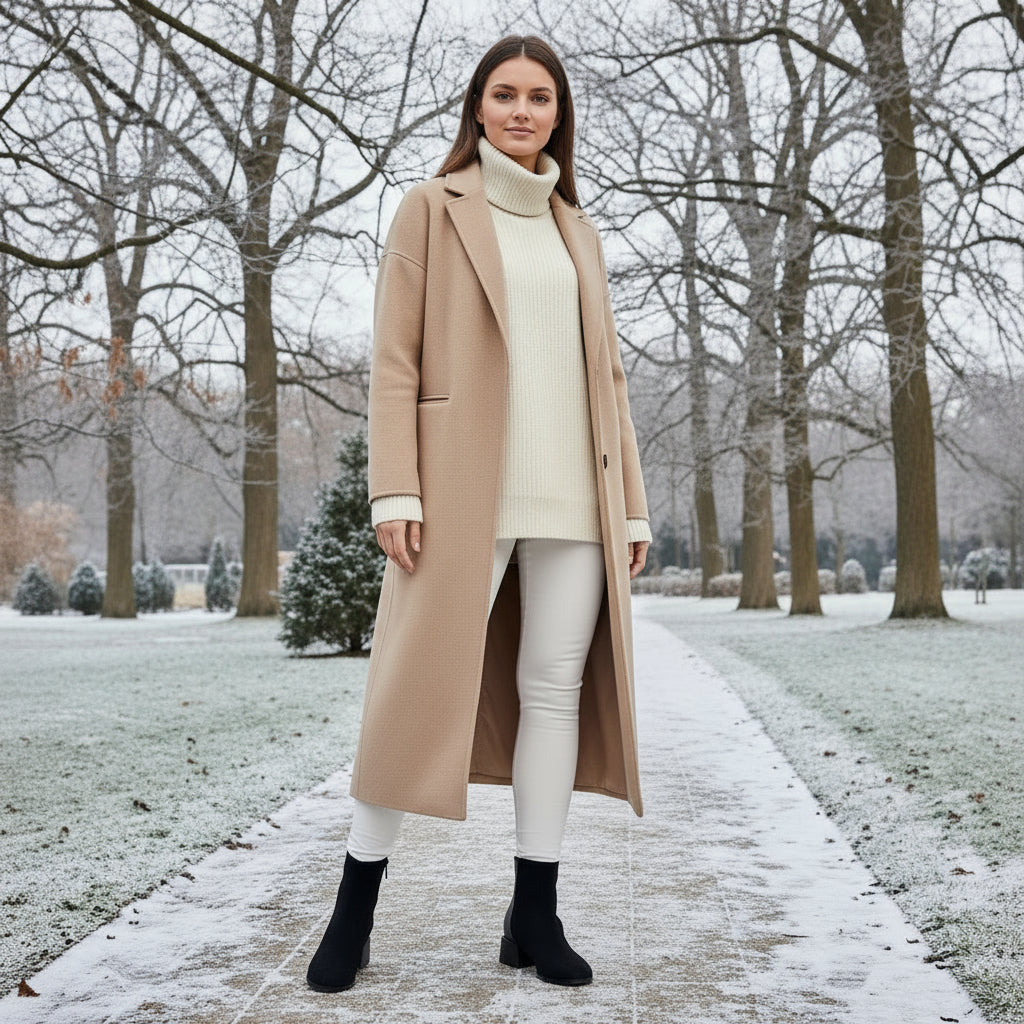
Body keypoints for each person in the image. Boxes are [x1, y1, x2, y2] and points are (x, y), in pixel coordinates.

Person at [306, 33, 652, 993]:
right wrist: (396, 487)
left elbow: (609, 377)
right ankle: (353, 912)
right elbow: (394, 359)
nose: (523, 110)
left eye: (541, 97)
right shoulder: (430, 208)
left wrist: (629, 504)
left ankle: (533, 916)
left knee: (550, 695)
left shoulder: (576, 228)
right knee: (411, 697)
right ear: (477, 108)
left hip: (576, 498)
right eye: (505, 94)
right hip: (460, 493)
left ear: (559, 116)